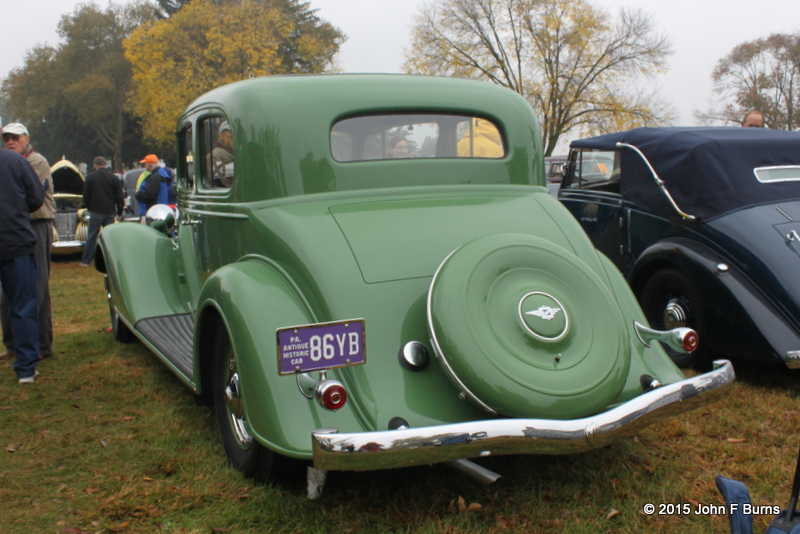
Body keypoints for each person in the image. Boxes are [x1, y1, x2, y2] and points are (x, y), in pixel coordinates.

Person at [1, 122, 56, 362]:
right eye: (6, 138)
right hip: (13, 228)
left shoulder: (36, 162)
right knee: (8, 293)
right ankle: (13, 344)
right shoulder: (11, 162)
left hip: (36, 225)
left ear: (26, 138)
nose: (10, 142)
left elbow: (27, 197)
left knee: (36, 288)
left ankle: (40, 346)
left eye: (15, 137)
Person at [0, 147, 45, 383]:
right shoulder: (15, 161)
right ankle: (26, 368)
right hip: (15, 240)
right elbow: (36, 197)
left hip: (14, 239)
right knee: (23, 305)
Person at [80, 157, 124, 266]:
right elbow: (119, 196)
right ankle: (110, 260)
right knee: (109, 238)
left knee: (92, 237)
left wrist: (89, 208)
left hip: (95, 210)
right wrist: (119, 211)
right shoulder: (114, 178)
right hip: (110, 211)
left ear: (95, 166)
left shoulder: (90, 178)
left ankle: (86, 261)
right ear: (106, 165)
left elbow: (86, 196)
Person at [135, 154, 173, 221]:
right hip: (159, 211)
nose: (145, 166)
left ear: (149, 165)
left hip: (153, 213)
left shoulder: (154, 178)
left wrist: (137, 194)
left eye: (145, 164)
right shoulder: (161, 175)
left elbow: (148, 195)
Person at [211, 121, 234, 187]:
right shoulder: (216, 155)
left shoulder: (236, 153)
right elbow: (224, 183)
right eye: (230, 134)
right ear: (222, 135)